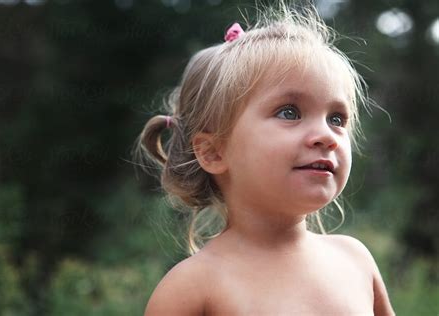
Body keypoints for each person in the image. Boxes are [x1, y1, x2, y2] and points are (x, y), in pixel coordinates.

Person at [135, 3, 395, 315]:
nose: (327, 135)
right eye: (290, 112)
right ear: (213, 152)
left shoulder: (355, 260)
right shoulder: (192, 288)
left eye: (337, 119)